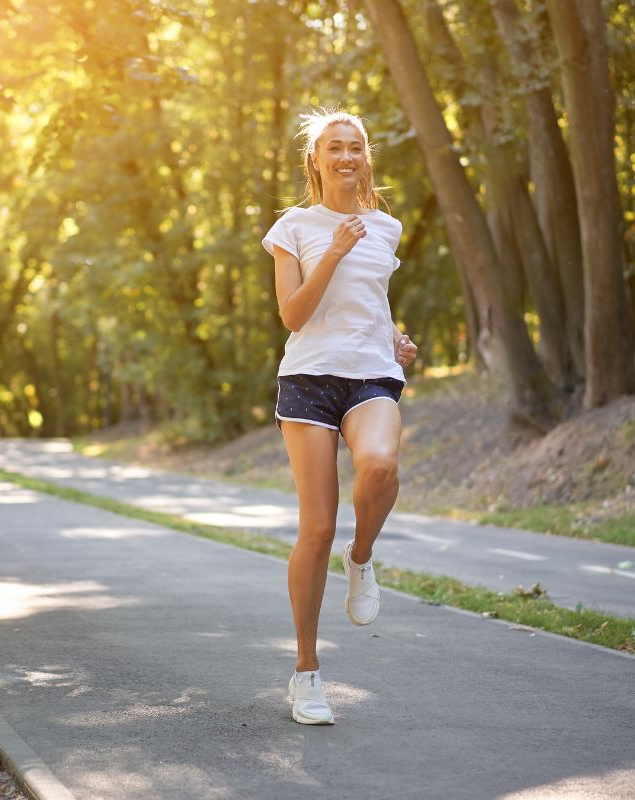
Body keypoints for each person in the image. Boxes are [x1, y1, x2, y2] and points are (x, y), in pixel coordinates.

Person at [262, 109, 418, 725]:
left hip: (371, 372)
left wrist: (397, 337)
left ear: (366, 157)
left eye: (355, 146)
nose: (346, 156)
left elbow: (370, 302)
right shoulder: (293, 227)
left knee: (379, 466)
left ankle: (362, 557)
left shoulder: (388, 227)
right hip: (307, 381)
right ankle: (306, 673)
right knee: (315, 529)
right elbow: (294, 315)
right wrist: (333, 249)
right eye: (334, 147)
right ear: (316, 161)